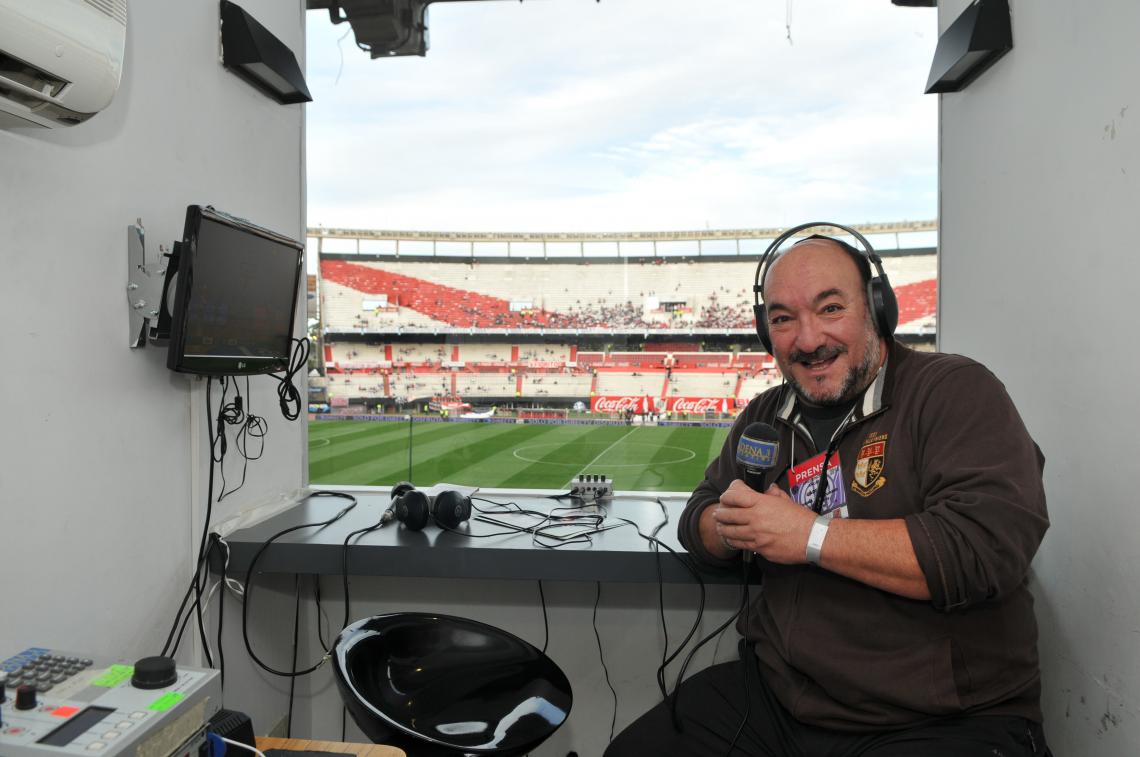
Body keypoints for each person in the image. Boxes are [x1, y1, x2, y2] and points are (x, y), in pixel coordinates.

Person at [606, 236, 1051, 756]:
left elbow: (985, 549)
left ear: (877, 309)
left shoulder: (954, 390)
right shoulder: (766, 415)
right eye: (783, 319)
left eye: (831, 308)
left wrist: (808, 536)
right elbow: (700, 516)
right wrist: (729, 526)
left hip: (940, 720)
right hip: (779, 702)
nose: (808, 338)